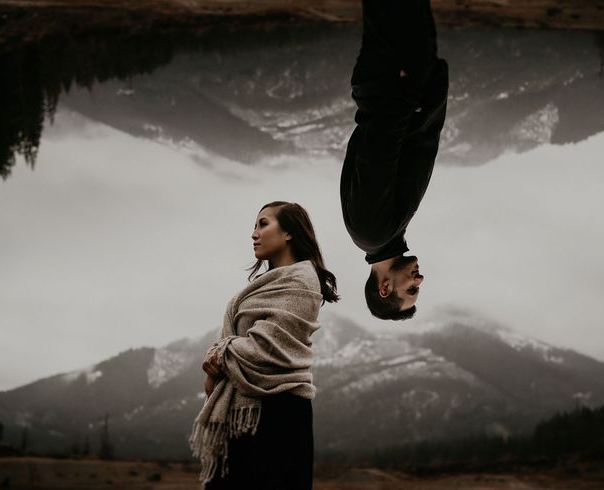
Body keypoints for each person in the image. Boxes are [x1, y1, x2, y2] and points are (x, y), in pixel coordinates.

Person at [189, 201, 338, 490]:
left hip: (278, 415)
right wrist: (221, 360)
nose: (254, 233)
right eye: (254, 226)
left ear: (289, 233)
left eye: (263, 224)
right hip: (245, 414)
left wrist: (220, 354)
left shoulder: (302, 281)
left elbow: (266, 349)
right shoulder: (264, 283)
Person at [340, 0, 449, 320]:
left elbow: (378, 150)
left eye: (411, 288)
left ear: (385, 287)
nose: (420, 280)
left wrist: (407, 89)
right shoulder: (382, 234)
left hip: (393, 84)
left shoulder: (372, 232)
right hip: (393, 86)